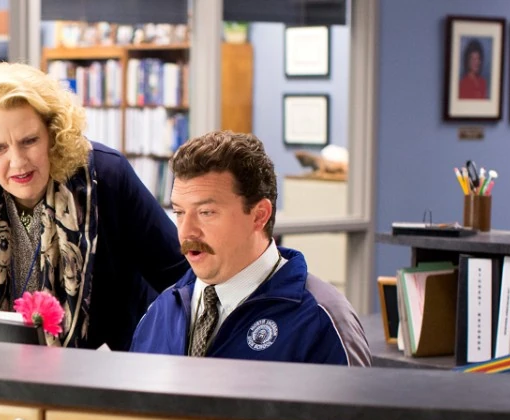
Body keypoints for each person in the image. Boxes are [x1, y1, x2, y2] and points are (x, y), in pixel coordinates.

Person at [0, 62, 188, 350]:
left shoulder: (106, 175)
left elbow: (181, 279)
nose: (18, 162)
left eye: (29, 141)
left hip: (98, 369)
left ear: (53, 133)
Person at [130, 131, 371, 366]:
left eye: (206, 212)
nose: (187, 231)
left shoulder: (320, 320)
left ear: (259, 216)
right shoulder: (160, 312)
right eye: (180, 212)